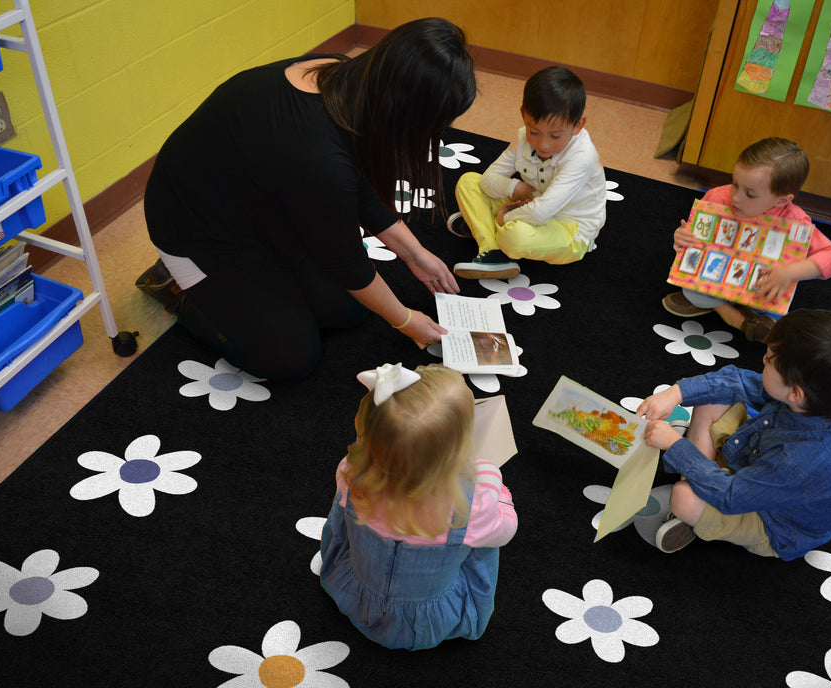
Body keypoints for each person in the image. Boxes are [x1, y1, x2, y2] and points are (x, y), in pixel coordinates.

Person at [137, 18, 475, 380]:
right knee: (289, 357)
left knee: (349, 311)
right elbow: (345, 259)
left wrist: (413, 252)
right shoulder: (318, 158)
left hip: (264, 205)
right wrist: (405, 321)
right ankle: (176, 286)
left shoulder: (343, 75)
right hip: (196, 230)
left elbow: (353, 181)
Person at [635, 309, 831, 559]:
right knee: (713, 398)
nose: (763, 360)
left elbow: (732, 495)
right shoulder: (815, 402)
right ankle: (699, 476)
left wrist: (676, 446)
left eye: (770, 360)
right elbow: (738, 382)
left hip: (775, 524)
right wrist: (675, 393)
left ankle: (695, 497)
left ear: (795, 393)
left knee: (683, 498)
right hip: (759, 470)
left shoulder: (798, 461)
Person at [320, 363, 517, 650]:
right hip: (427, 620)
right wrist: (491, 477)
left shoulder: (350, 472)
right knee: (484, 538)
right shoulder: (470, 505)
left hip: (355, 594)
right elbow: (506, 529)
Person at [662, 137, 831, 342]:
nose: (736, 198)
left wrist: (790, 272)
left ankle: (736, 311)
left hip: (758, 287)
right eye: (735, 184)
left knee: (772, 305)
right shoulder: (717, 198)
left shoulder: (795, 222)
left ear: (782, 200)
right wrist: (681, 237)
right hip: (716, 275)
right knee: (691, 289)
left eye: (750, 194)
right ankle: (733, 317)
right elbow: (695, 241)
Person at [449, 66, 607, 279]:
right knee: (468, 181)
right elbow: (488, 179)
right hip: (531, 205)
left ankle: (488, 229)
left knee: (515, 237)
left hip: (570, 229)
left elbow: (541, 213)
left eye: (555, 136)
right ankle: (493, 251)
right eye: (534, 132)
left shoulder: (582, 157)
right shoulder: (524, 136)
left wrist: (506, 217)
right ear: (523, 114)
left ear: (578, 125)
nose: (543, 144)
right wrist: (514, 187)